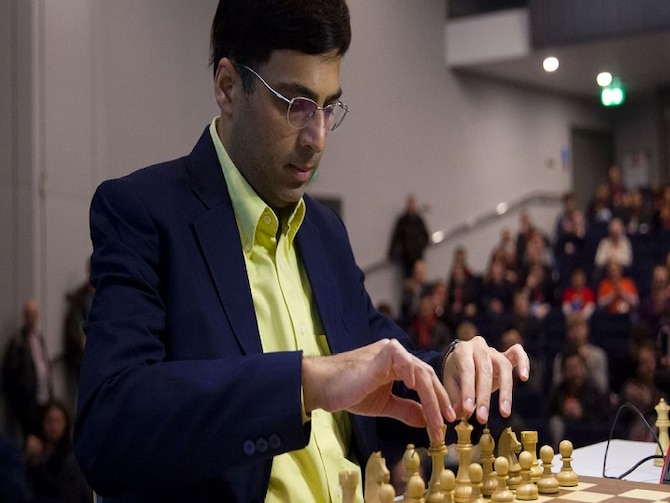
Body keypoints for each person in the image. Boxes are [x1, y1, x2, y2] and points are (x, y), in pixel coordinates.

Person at [73, 2, 530, 501]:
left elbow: (382, 362)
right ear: (228, 87)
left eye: (328, 107)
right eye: (294, 104)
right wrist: (303, 383)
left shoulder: (325, 232)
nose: (316, 139)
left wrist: (450, 369)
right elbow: (110, 429)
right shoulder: (143, 213)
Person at [2, 299, 53, 441]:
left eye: (34, 315)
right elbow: (10, 372)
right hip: (28, 401)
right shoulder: (18, 341)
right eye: (28, 315)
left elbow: (44, 365)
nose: (31, 318)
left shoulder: (39, 337)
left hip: (43, 395)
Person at [24, 401, 92, 503]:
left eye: (58, 421)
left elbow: (61, 491)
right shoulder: (40, 450)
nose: (53, 426)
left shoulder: (71, 458)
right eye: (49, 420)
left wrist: (37, 465)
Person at [388, 194, 430, 277]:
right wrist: (392, 252)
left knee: (419, 277)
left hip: (417, 255)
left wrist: (420, 247)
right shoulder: (402, 221)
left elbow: (426, 236)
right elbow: (396, 237)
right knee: (408, 279)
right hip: (406, 257)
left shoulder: (418, 220)